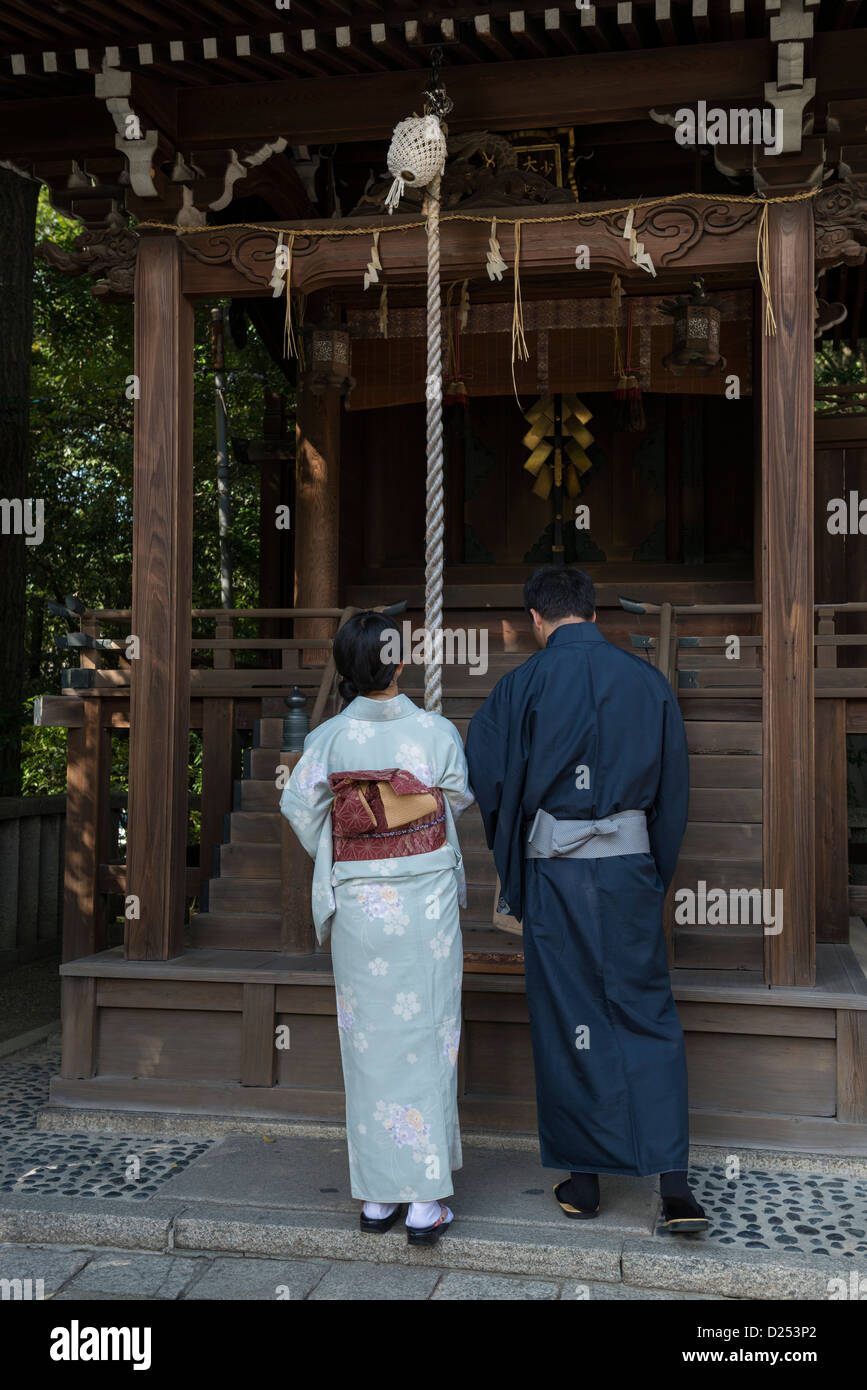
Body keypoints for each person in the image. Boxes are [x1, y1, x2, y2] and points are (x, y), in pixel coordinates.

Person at [465, 566, 707, 1233]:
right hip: (627, 869)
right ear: (594, 616)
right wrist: (651, 867)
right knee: (646, 1011)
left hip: (555, 875)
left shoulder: (521, 685)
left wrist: (514, 864)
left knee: (568, 1015)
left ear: (535, 620)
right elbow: (673, 790)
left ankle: (584, 1181)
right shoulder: (646, 681)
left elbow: (486, 774)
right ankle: (675, 1187)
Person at [280, 611, 474, 1246]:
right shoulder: (435, 732)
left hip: (364, 907)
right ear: (399, 662)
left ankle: (376, 1198)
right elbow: (456, 800)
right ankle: (424, 1202)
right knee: (429, 1034)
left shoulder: (330, 738)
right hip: (426, 907)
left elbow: (297, 804)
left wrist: (343, 850)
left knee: (369, 1048)